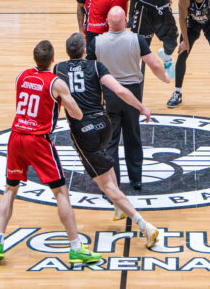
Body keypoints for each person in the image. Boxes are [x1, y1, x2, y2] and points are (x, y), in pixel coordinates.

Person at [0, 39, 104, 266]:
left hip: (16, 136)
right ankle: (75, 248)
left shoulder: (21, 76)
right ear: (53, 59)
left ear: (35, 58)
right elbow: (78, 115)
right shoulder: (56, 83)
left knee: (10, 189)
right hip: (38, 140)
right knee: (61, 193)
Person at [54, 33, 161, 243]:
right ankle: (117, 207)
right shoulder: (96, 66)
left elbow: (53, 98)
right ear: (85, 50)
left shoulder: (58, 69)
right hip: (104, 125)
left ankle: (145, 226)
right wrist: (141, 107)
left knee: (105, 184)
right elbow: (120, 90)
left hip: (84, 131)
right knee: (105, 162)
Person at [90, 6, 170, 192]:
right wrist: (165, 78)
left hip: (109, 93)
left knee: (110, 141)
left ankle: (113, 184)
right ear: (126, 20)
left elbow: (89, 71)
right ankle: (136, 180)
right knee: (133, 136)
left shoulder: (97, 42)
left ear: (107, 23)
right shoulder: (137, 39)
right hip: (132, 93)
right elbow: (153, 64)